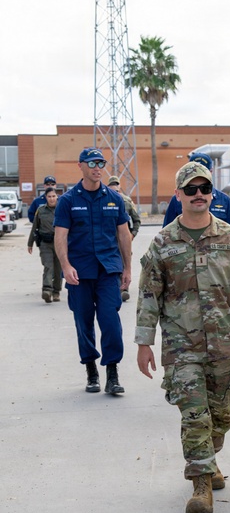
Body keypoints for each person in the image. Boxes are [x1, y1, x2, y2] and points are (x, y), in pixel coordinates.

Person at [136, 161, 230, 513]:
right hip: (181, 346)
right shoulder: (162, 243)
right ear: (178, 195)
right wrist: (144, 342)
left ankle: (209, 458)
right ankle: (201, 485)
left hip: (224, 342)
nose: (199, 195)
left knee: (220, 416)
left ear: (212, 194)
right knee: (195, 414)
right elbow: (148, 296)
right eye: (191, 189)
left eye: (204, 189)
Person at [54, 147, 131, 395]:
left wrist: (127, 268)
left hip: (108, 270)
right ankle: (91, 371)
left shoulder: (114, 198)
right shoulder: (68, 201)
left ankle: (112, 373)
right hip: (79, 272)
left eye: (101, 163)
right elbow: (60, 236)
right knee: (83, 322)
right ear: (81, 166)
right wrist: (66, 266)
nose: (97, 168)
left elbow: (124, 234)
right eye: (92, 163)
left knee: (110, 321)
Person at [161, 152, 230, 229]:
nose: (199, 194)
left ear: (211, 172)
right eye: (191, 189)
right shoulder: (177, 199)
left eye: (203, 171)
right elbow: (168, 229)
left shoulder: (224, 200)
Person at [107, 175, 142, 302]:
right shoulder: (104, 201)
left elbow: (136, 220)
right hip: (109, 239)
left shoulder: (126, 201)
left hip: (123, 238)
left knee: (124, 263)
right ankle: (115, 288)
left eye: (116, 189)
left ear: (119, 188)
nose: (115, 192)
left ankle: (124, 289)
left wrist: (132, 234)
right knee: (112, 264)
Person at [26, 187, 63, 303]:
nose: (52, 199)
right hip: (45, 243)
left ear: (57, 197)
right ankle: (47, 290)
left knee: (58, 268)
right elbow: (34, 227)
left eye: (53, 196)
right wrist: (30, 243)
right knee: (48, 266)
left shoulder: (62, 209)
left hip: (60, 243)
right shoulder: (41, 210)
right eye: (49, 197)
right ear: (46, 198)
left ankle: (56, 291)